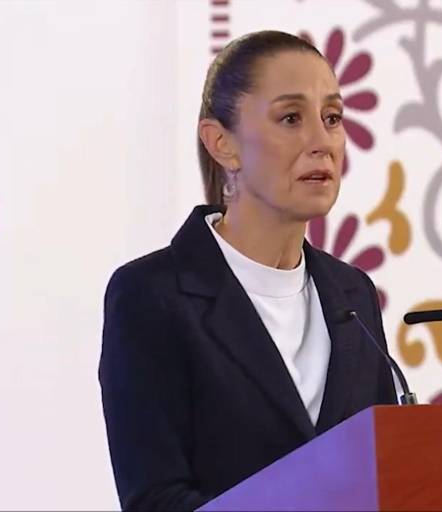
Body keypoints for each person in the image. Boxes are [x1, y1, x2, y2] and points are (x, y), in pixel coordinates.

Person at [98, 30, 397, 511]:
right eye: (291, 118)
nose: (322, 142)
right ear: (222, 143)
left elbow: (386, 472)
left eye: (332, 118)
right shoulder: (151, 296)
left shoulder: (353, 294)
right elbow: (155, 498)